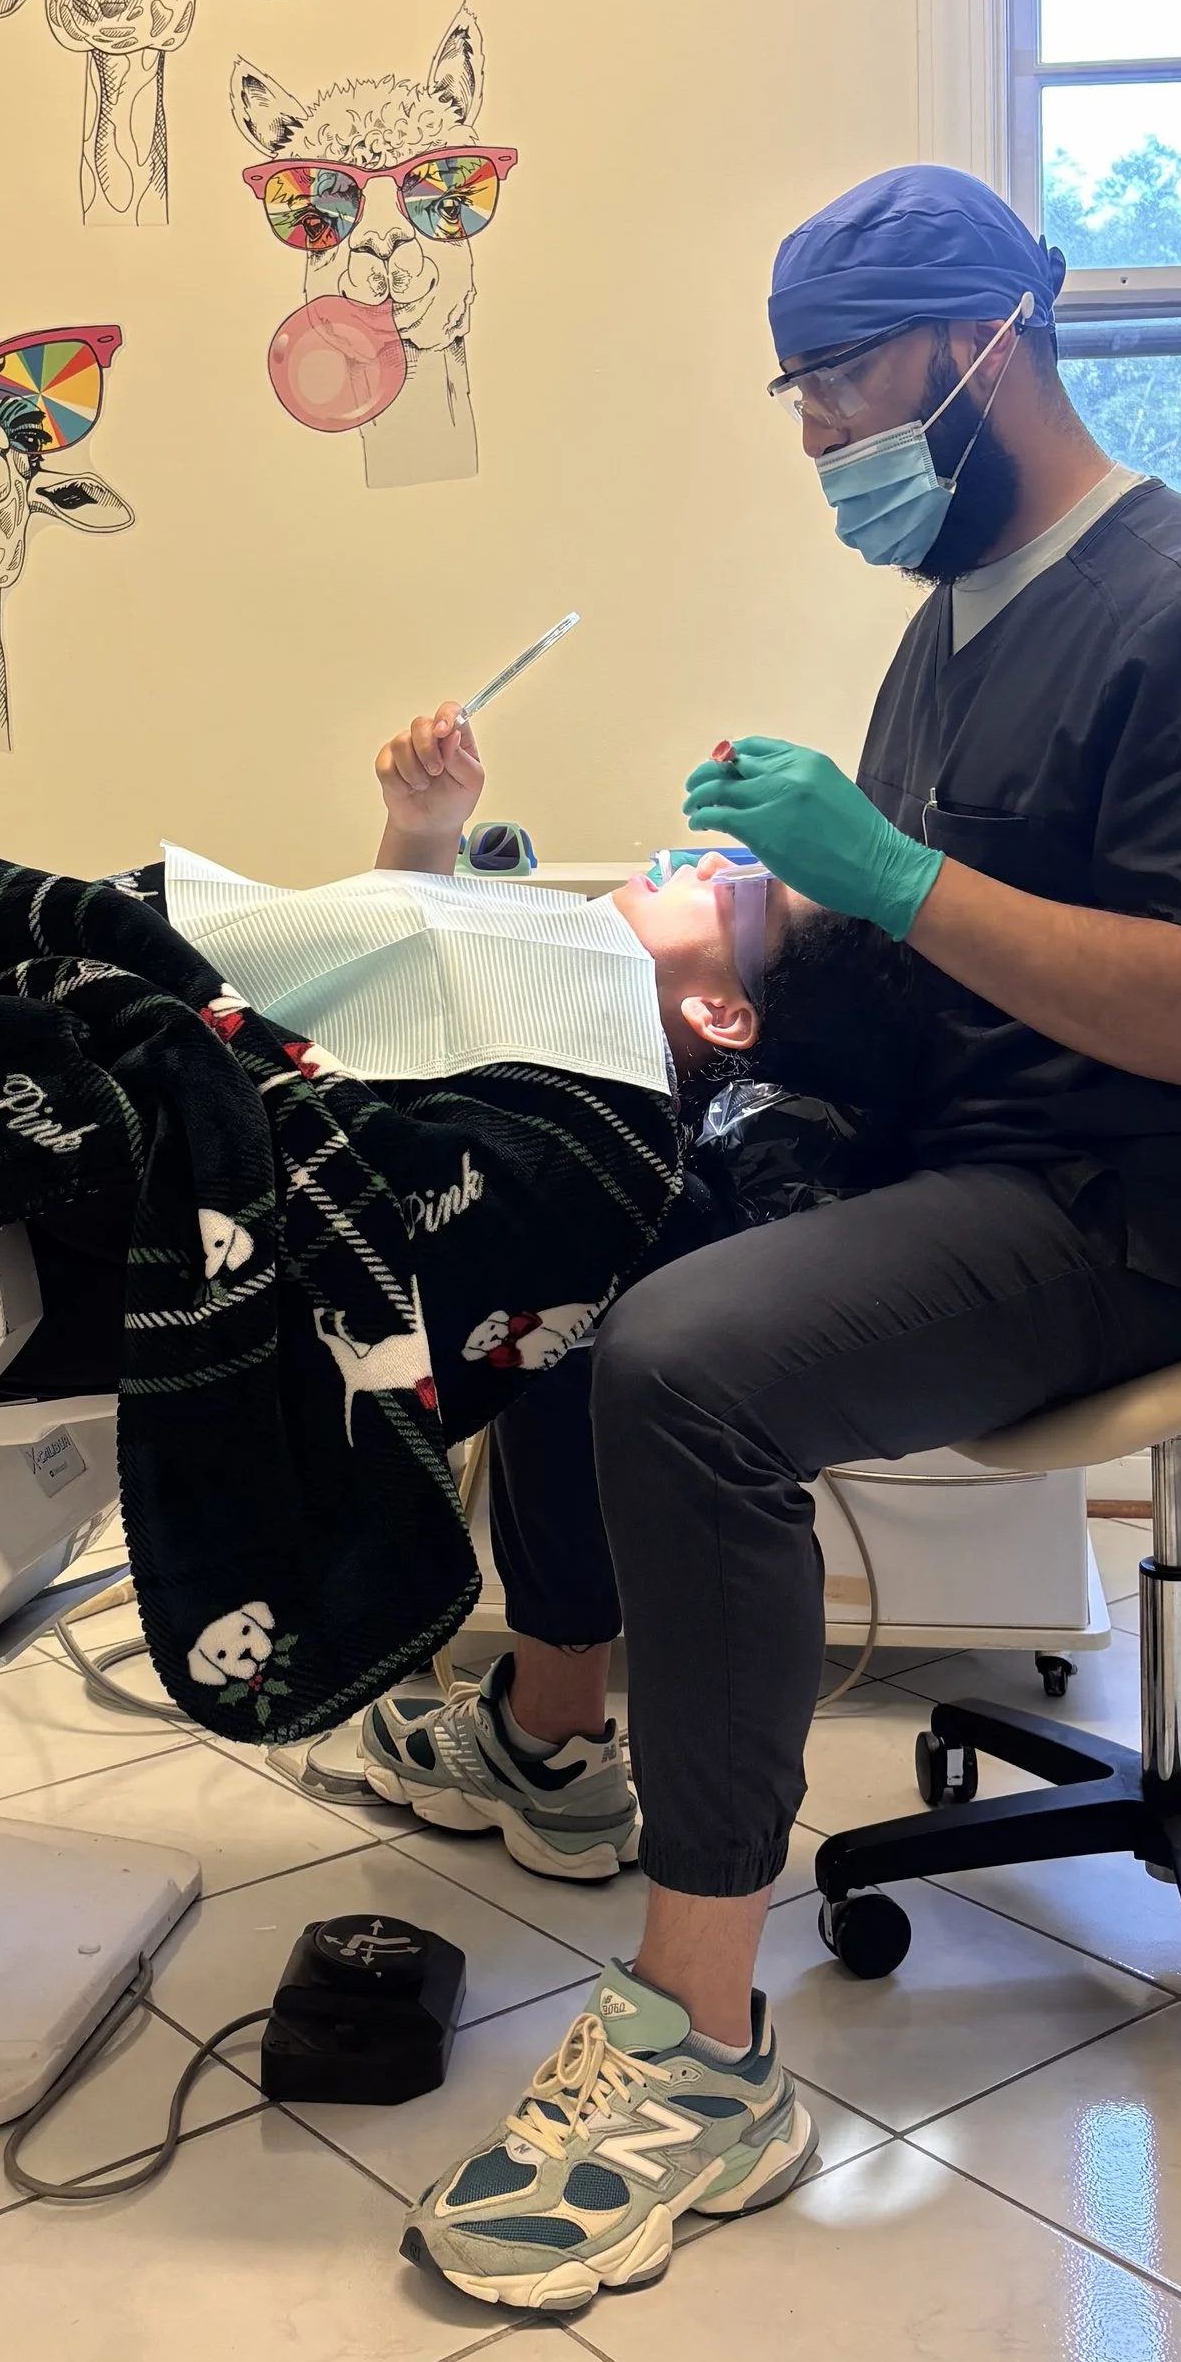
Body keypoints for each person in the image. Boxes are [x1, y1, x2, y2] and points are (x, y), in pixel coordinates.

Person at [401, 162, 1181, 2313]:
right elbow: (926, 962)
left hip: (1143, 1205)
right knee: (565, 1232)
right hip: (961, 1153)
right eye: (800, 396)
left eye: (847, 384)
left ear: (984, 339)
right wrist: (729, 949)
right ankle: (543, 1734)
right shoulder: (946, 631)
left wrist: (891, 884)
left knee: (693, 1363)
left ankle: (699, 2040)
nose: (823, 436)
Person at [354, 711, 930, 1881]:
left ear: (723, 1016)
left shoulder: (619, 1182)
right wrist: (420, 834)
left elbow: (352, 1027)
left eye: (736, 895)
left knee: (573, 1291)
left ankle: (546, 1736)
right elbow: (374, 977)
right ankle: (541, 1735)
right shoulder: (586, 1065)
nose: (705, 859)